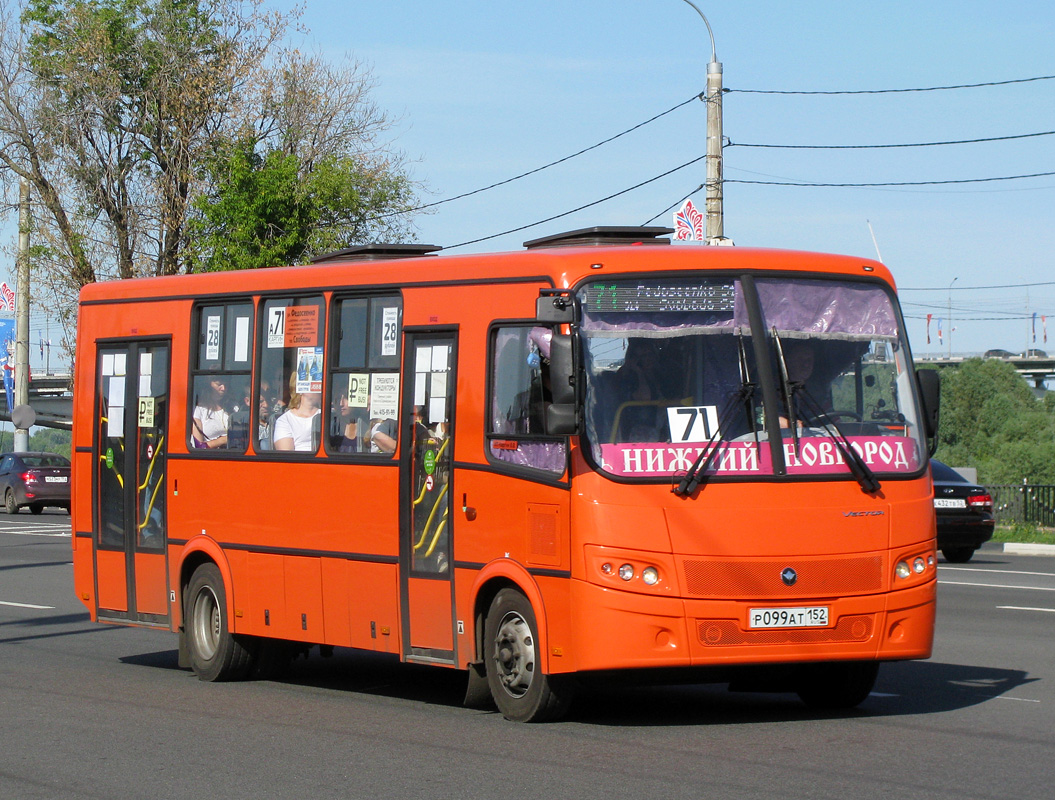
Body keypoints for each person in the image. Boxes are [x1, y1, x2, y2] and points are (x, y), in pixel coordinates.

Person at [273, 373, 321, 452]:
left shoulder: (329, 416)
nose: (320, 386)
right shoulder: (285, 420)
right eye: (315, 382)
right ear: (301, 388)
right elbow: (286, 457)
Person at [191, 377, 230, 449]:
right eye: (219, 385)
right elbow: (199, 446)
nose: (223, 388)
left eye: (226, 385)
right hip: (211, 455)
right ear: (210, 385)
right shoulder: (200, 410)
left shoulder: (234, 407)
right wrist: (222, 440)